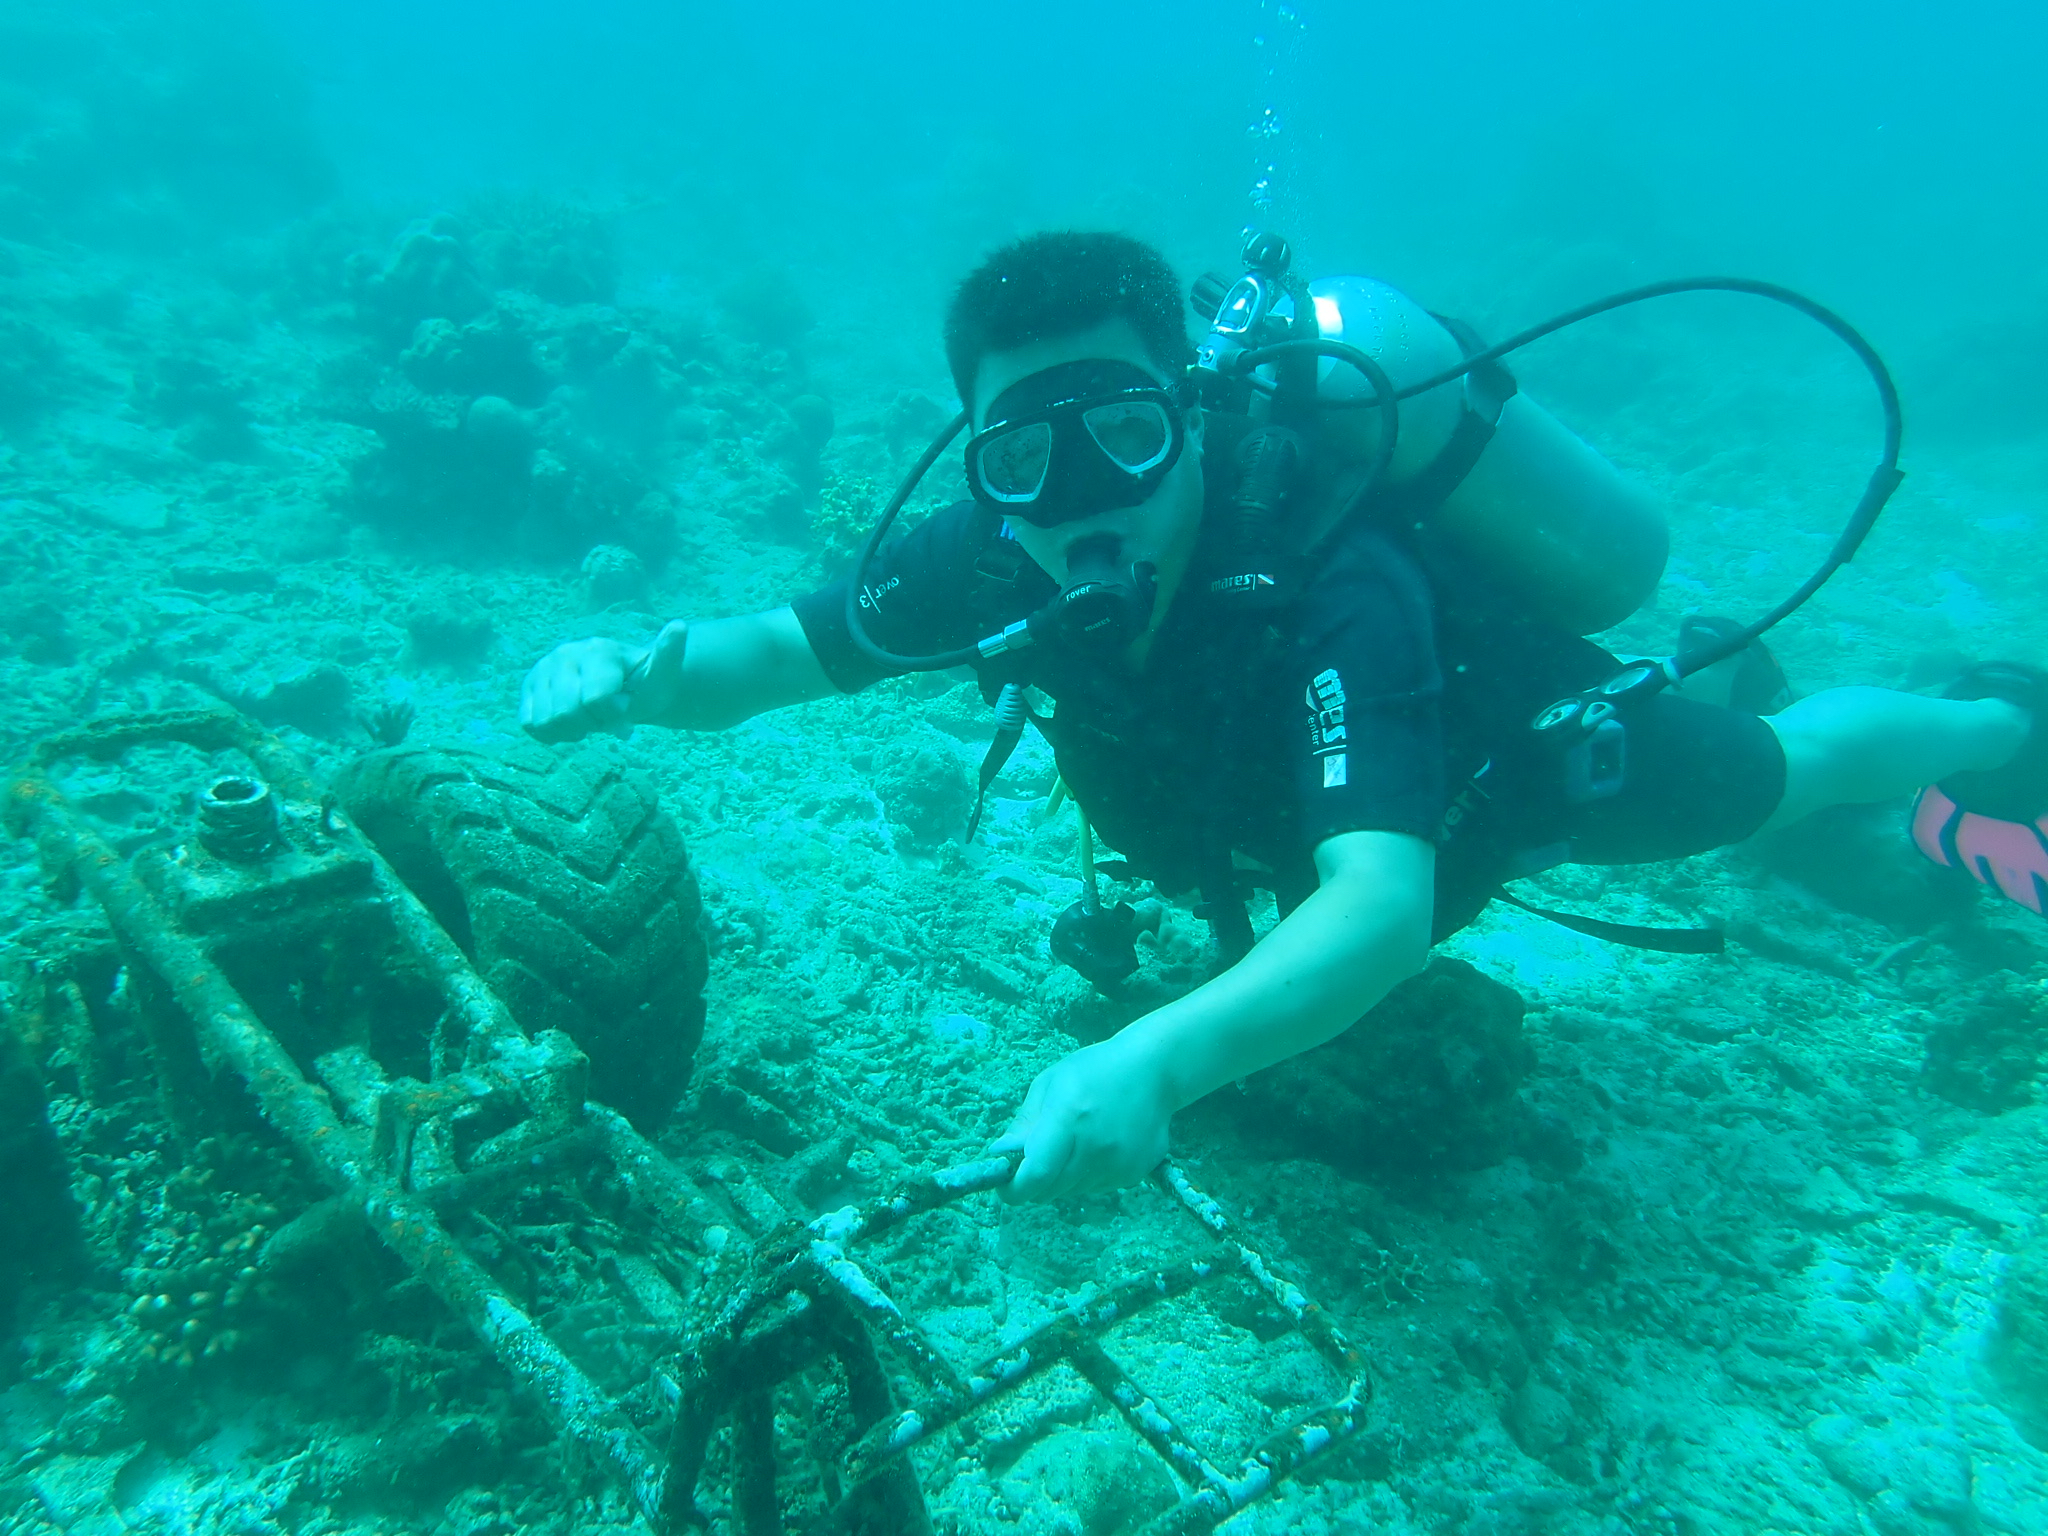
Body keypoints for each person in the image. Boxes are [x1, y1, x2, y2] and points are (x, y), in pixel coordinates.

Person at [519, 231, 2043, 1204]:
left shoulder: (1330, 581)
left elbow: (1379, 909)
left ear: (1186, 414)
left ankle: (1989, 726)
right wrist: (634, 672)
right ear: (978, 462)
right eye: (1025, 457)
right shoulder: (989, 550)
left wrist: (1152, 1067)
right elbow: (773, 653)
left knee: (1777, 777)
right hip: (1253, 812)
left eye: (1124, 432)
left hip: (1498, 758)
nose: (1082, 500)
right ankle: (1752, 674)